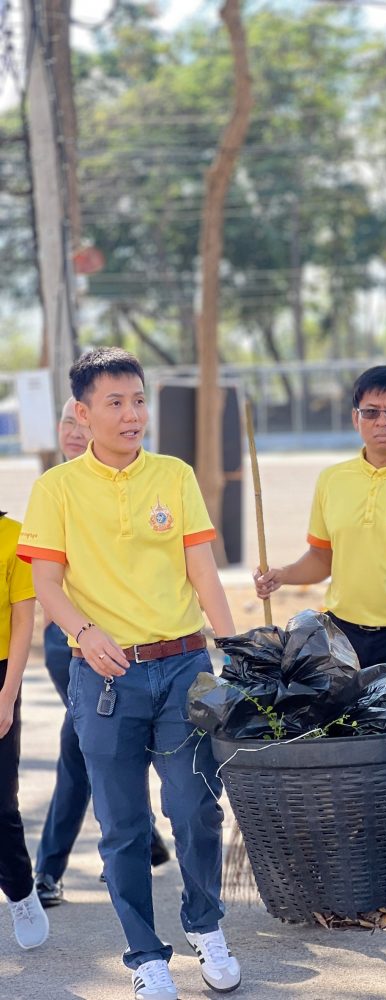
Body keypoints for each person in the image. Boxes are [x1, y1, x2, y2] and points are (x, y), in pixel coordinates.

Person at [19, 347, 240, 1000]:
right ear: (83, 413)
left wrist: (235, 653)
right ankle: (145, 955)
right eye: (115, 402)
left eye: (138, 400)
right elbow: (48, 584)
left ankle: (206, 924)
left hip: (184, 667)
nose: (131, 414)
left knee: (195, 807)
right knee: (123, 826)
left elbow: (204, 573)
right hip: (104, 679)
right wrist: (84, 634)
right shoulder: (56, 488)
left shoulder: (175, 475)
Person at [35, 398, 170, 909]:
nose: (73, 431)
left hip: (140, 643)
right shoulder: (56, 489)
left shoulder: (145, 481)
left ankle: (134, 832)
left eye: (80, 422)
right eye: (66, 422)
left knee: (105, 743)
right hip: (71, 643)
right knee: (81, 745)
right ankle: (52, 870)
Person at [254, 365, 386, 669]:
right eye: (370, 412)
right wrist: (282, 575)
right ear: (356, 418)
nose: (382, 421)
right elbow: (321, 559)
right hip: (339, 638)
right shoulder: (331, 480)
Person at [1, 510, 49, 950]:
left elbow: (23, 621)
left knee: (0, 801)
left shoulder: (12, 536)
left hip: (1, 676)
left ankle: (20, 891)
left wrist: (7, 693)